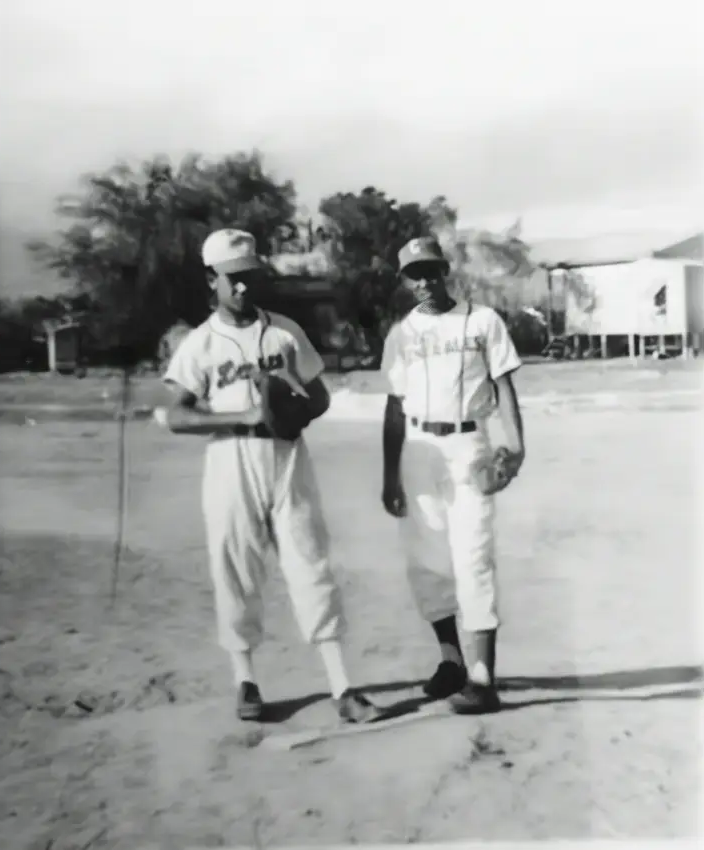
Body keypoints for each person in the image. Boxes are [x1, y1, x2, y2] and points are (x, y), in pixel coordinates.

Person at [155, 228, 385, 725]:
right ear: (211, 280)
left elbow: (320, 397)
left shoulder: (283, 331)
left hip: (287, 457)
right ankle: (246, 681)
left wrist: (291, 407)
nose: (242, 289)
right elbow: (176, 415)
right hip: (231, 460)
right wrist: (243, 419)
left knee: (311, 562)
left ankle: (342, 686)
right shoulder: (200, 344)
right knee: (235, 569)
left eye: (249, 278)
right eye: (232, 280)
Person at [380, 235, 525, 714]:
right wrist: (389, 474)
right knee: (426, 560)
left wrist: (516, 444)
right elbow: (395, 407)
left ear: (445, 271)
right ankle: (451, 661)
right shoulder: (402, 334)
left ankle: (483, 678)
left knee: (474, 555)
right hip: (419, 451)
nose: (424, 281)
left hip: (469, 444)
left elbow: (503, 384)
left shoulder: (481, 320)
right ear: (405, 281)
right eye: (414, 274)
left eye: (431, 270)